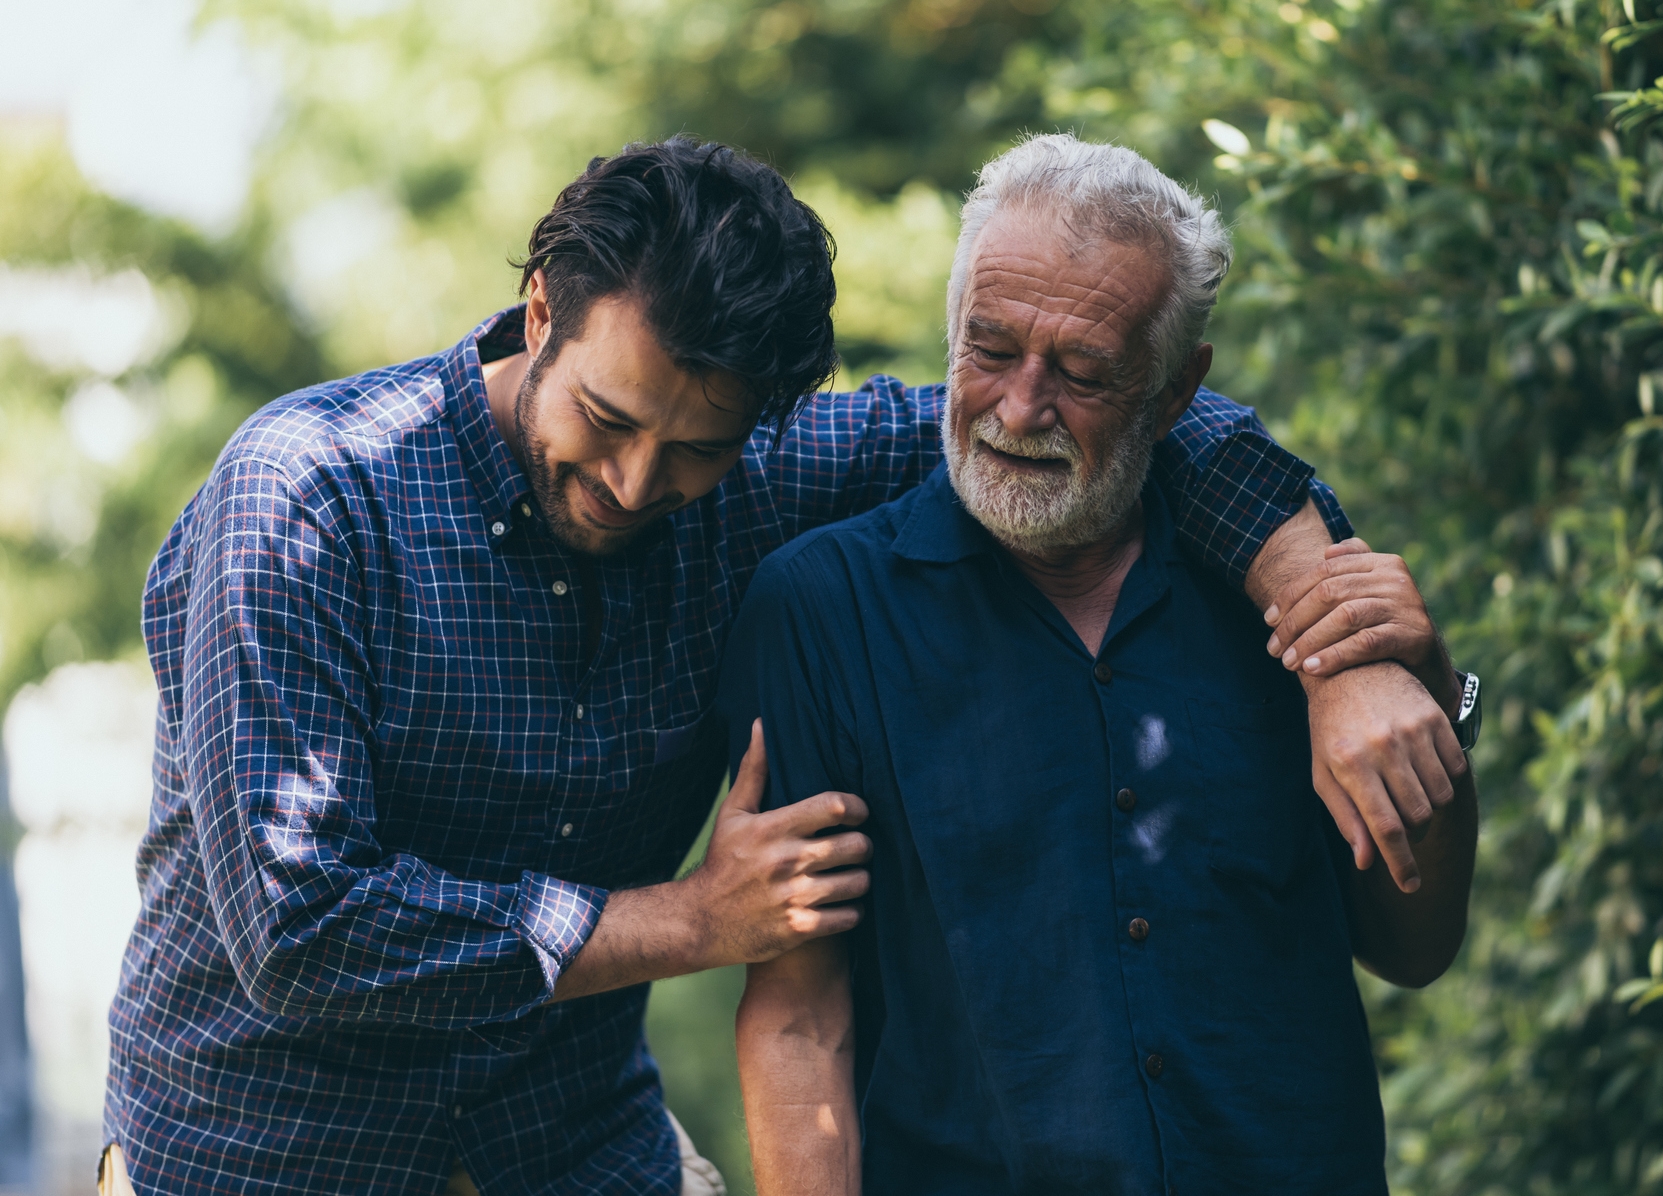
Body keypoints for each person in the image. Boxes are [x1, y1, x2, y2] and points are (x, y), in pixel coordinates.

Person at [103, 137, 1458, 1195]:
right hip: (264, 1154)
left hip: (569, 1158)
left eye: (694, 448)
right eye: (605, 418)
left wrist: (1332, 635)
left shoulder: (759, 472)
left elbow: (1143, 419)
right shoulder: (306, 502)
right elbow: (298, 927)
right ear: (537, 315)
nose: (635, 483)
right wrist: (693, 920)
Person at [726, 134, 1480, 1195]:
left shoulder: (1295, 593)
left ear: (1177, 393)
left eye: (1082, 373)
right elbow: (804, 1012)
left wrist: (1424, 696)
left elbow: (1414, 945)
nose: (1020, 408)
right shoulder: (821, 608)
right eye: (988, 350)